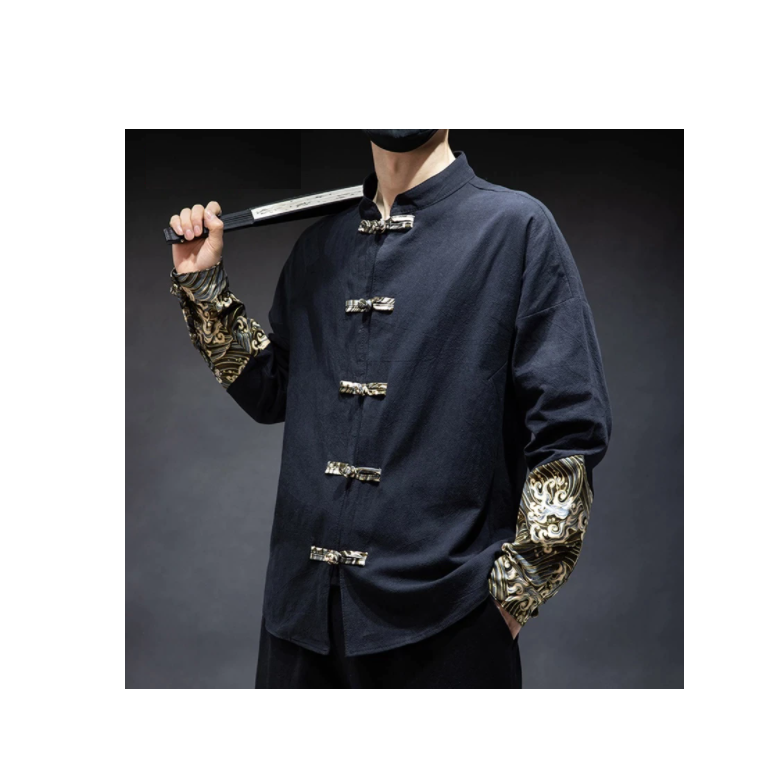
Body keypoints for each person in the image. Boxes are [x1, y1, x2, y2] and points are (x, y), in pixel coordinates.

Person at [169, 130, 611, 688]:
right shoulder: (319, 246)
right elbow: (272, 391)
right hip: (300, 622)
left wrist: (514, 595)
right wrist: (203, 287)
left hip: (448, 623)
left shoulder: (516, 229)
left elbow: (569, 432)